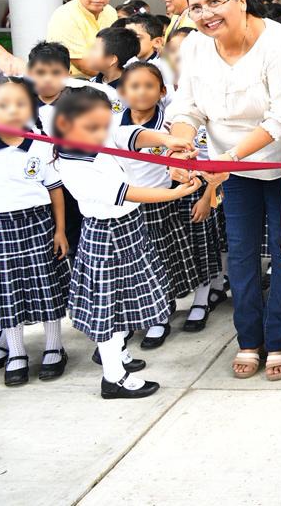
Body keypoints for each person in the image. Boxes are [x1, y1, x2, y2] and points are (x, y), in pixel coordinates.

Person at [165, 0, 281, 382]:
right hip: (231, 169)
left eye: (215, 2)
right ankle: (249, 338)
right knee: (241, 254)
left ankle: (279, 338)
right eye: (196, 7)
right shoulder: (194, 46)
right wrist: (182, 142)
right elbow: (186, 106)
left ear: (240, 0)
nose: (206, 14)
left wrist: (228, 158)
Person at [53, 86, 201, 399]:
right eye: (93, 127)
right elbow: (128, 192)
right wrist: (177, 193)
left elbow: (129, 136)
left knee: (124, 302)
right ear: (65, 124)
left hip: (128, 227)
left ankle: (115, 354)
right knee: (109, 308)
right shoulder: (74, 164)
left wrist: (167, 139)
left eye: (104, 124)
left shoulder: (96, 133)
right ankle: (113, 378)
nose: (102, 132)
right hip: (107, 234)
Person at [118, 62, 220, 347]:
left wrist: (205, 197)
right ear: (123, 92)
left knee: (180, 256)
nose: (141, 92)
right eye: (134, 86)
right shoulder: (115, 127)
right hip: (132, 204)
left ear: (162, 91)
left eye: (149, 86)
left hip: (174, 198)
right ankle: (147, 314)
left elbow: (201, 162)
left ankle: (168, 313)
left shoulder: (173, 126)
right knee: (140, 264)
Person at [0, 78, 70, 386]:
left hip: (37, 224)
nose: (12, 111)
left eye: (20, 104)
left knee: (45, 287)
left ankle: (53, 347)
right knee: (6, 292)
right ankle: (16, 352)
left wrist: (60, 230)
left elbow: (55, 190)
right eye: (3, 105)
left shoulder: (40, 144)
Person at [46, 0, 117, 76]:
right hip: (72, 86)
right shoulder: (65, 16)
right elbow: (85, 65)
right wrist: (119, 79)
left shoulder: (111, 12)